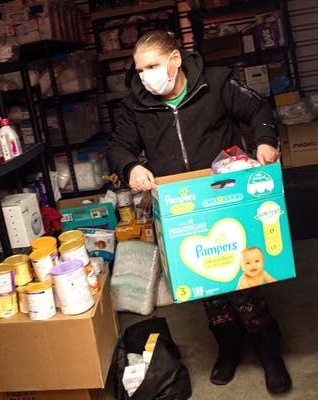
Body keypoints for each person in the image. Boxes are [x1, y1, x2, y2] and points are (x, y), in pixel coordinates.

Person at [106, 30, 292, 395]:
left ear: (175, 59)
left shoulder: (216, 83)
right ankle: (228, 347)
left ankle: (269, 350)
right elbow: (118, 146)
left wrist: (266, 142)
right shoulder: (135, 107)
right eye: (140, 69)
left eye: (153, 66)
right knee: (207, 285)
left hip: (226, 196)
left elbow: (258, 109)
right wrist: (130, 167)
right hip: (182, 206)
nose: (145, 76)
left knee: (243, 276)